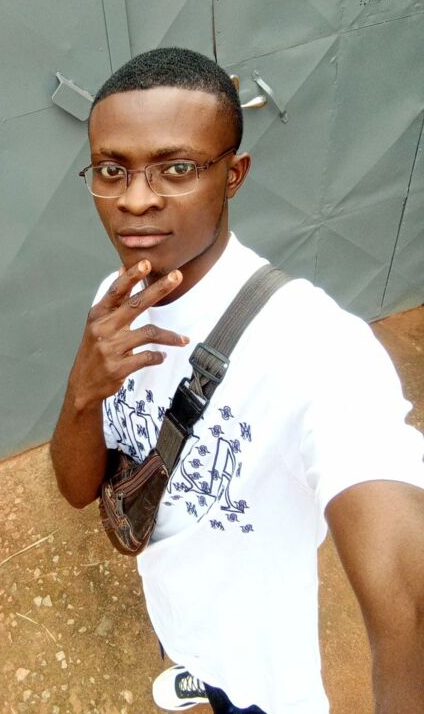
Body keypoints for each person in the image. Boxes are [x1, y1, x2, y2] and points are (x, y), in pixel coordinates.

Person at [49, 47, 424, 713]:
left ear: (234, 175)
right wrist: (84, 388)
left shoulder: (312, 343)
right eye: (112, 169)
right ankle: (195, 668)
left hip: (261, 671)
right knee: (191, 651)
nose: (135, 200)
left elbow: (408, 593)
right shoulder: (117, 294)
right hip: (177, 604)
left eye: (177, 168)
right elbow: (78, 489)